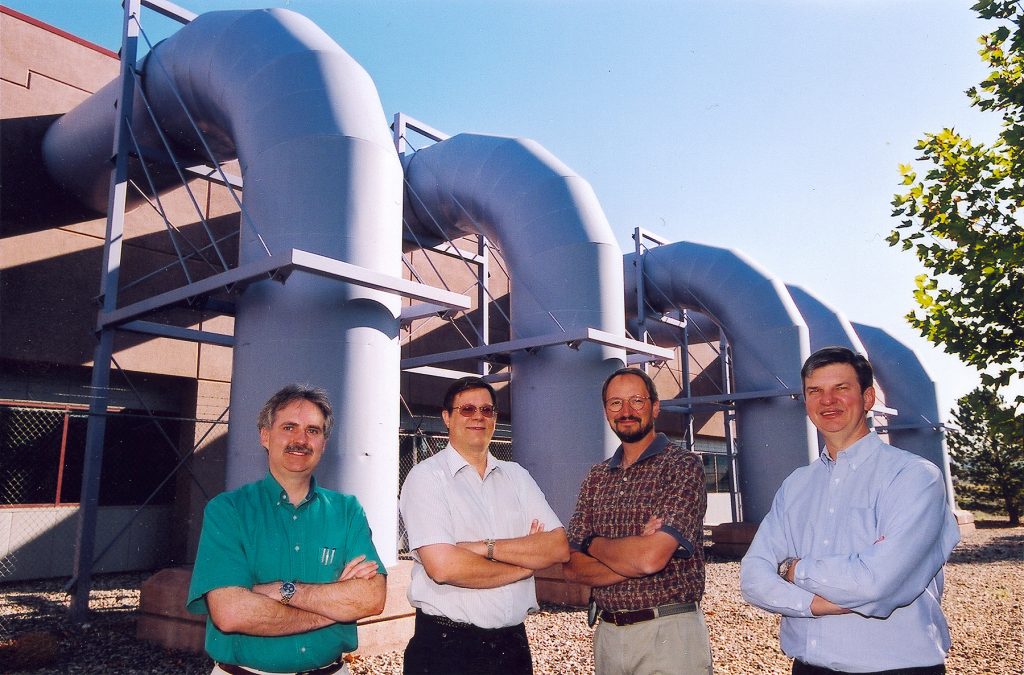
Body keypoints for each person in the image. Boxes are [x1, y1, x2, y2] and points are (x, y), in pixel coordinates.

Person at [740, 347, 961, 674]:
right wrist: (814, 605)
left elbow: (877, 582)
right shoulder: (797, 485)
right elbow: (753, 578)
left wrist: (793, 569)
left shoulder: (914, 477)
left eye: (841, 388)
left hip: (897, 669)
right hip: (808, 667)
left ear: (868, 398)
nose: (827, 400)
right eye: (815, 391)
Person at [187, 384, 386, 675]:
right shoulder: (227, 510)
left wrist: (283, 591)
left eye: (313, 430)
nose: (301, 440)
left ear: (324, 443)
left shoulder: (347, 511)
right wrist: (334, 608)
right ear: (265, 436)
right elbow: (230, 612)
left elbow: (371, 599)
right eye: (289, 427)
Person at [399, 376, 570, 675]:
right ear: (447, 418)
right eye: (467, 409)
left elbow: (557, 546)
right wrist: (523, 566)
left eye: (487, 410)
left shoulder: (517, 476)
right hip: (447, 649)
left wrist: (482, 547)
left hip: (512, 646)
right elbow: (444, 567)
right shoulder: (426, 477)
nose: (478, 416)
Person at [564, 367, 713, 675]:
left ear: (655, 406)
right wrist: (634, 555)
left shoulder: (682, 466)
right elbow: (573, 566)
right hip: (607, 634)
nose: (626, 411)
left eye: (637, 400)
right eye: (616, 403)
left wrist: (592, 543)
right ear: (606, 411)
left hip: (669, 634)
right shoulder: (596, 477)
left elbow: (649, 559)